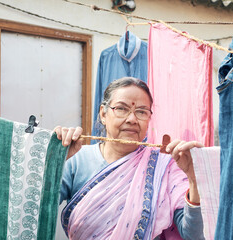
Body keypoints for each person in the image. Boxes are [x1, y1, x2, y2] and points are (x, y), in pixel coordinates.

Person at [55, 77, 205, 240]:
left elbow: (194, 235)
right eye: (121, 109)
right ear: (103, 114)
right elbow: (36, 211)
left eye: (141, 112)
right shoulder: (76, 159)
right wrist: (54, 162)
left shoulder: (165, 166)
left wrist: (194, 180)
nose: (132, 119)